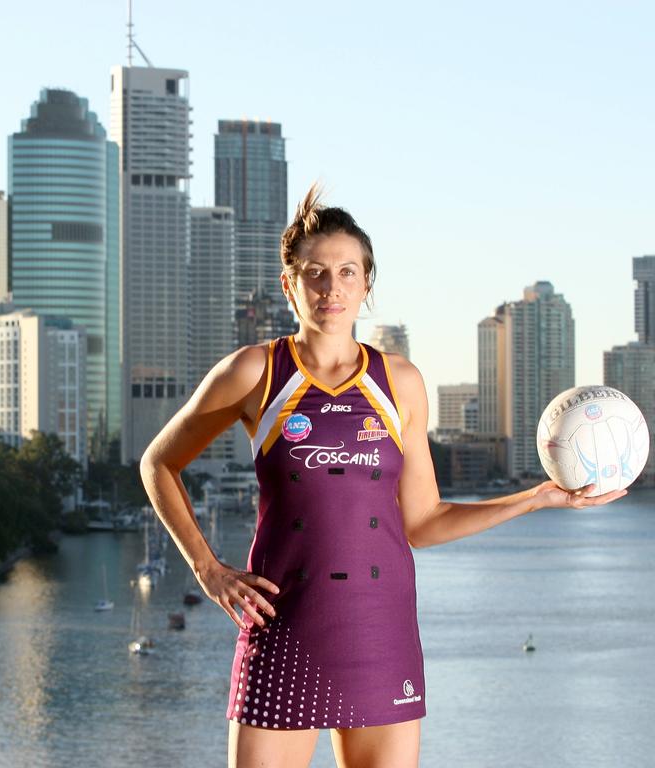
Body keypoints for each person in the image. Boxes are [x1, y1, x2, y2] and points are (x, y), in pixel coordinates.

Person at [138, 183, 627, 768]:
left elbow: (423, 522)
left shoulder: (400, 382)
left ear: (367, 284)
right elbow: (158, 463)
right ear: (289, 282)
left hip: (380, 631)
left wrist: (537, 498)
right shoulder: (254, 372)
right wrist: (208, 569)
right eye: (315, 272)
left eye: (347, 272)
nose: (331, 287)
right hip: (282, 625)